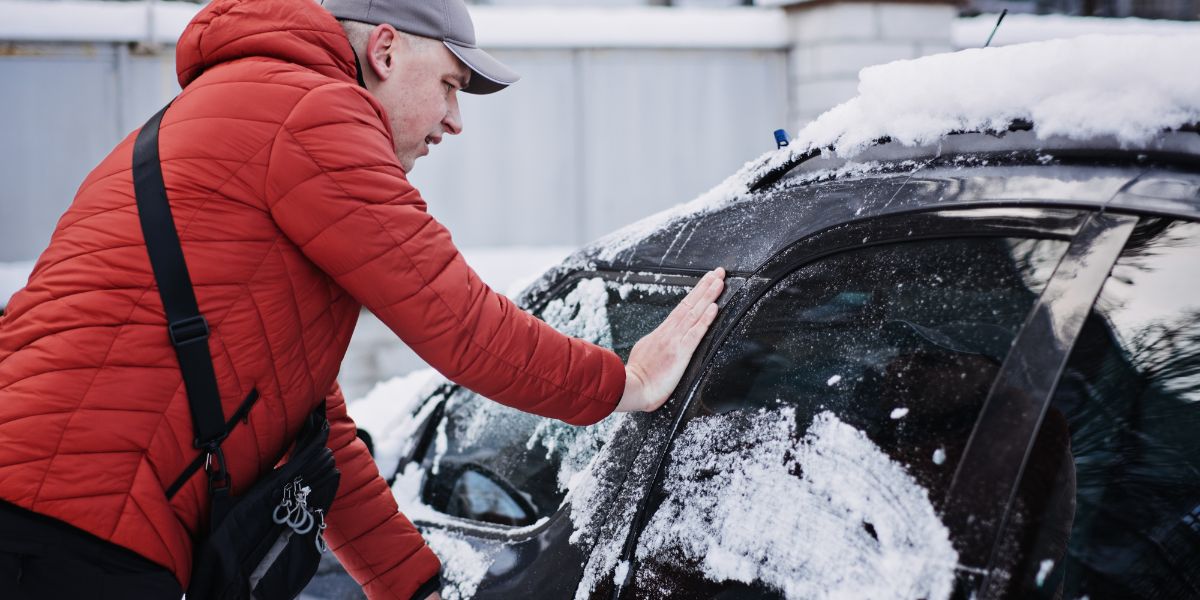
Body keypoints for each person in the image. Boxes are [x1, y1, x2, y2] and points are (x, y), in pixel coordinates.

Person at [0, 0, 725, 597]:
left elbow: (308, 429)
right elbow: (461, 325)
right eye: (447, 85)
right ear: (384, 50)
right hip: (70, 525)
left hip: (47, 513)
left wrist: (413, 588)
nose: (454, 120)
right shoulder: (314, 112)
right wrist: (625, 380)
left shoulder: (251, 109)